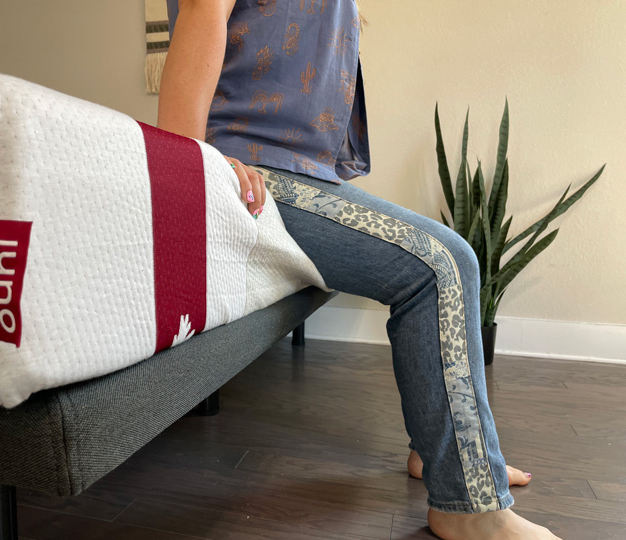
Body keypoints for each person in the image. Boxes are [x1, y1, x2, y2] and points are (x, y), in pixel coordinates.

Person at [158, 1, 561, 539]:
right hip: (249, 171)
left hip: (299, 171)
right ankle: (469, 506)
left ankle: (441, 456)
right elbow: (203, 11)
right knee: (442, 263)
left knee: (445, 259)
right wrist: (193, 166)